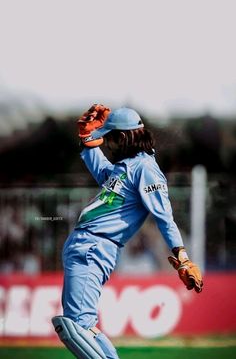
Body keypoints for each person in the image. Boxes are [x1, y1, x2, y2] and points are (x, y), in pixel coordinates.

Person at [52, 104, 203, 359]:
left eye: (109, 139)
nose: (107, 145)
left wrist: (183, 257)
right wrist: (87, 139)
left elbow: (164, 217)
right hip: (85, 246)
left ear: (122, 138)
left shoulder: (146, 169)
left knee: (75, 327)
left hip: (94, 247)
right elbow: (102, 172)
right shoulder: (128, 166)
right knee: (83, 326)